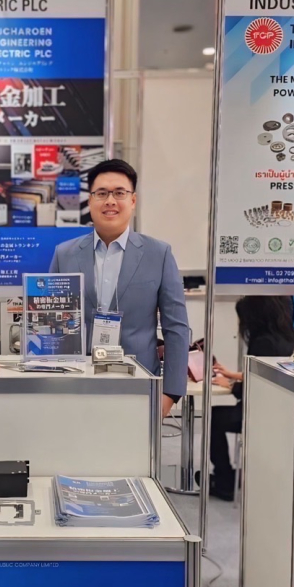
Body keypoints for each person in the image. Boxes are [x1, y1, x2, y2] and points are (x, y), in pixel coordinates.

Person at [49, 159, 189, 416]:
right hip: (75, 385)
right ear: (90, 200)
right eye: (101, 193)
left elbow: (176, 327)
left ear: (132, 200)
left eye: (119, 193)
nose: (110, 201)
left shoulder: (159, 254)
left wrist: (171, 393)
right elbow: (51, 324)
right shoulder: (64, 254)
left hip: (139, 385)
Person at [209, 296, 294, 500]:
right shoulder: (293, 338)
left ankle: (224, 481)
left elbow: (254, 388)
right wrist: (234, 375)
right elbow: (271, 375)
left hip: (262, 414)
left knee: (213, 417)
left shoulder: (263, 342)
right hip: (288, 411)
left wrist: (231, 385)